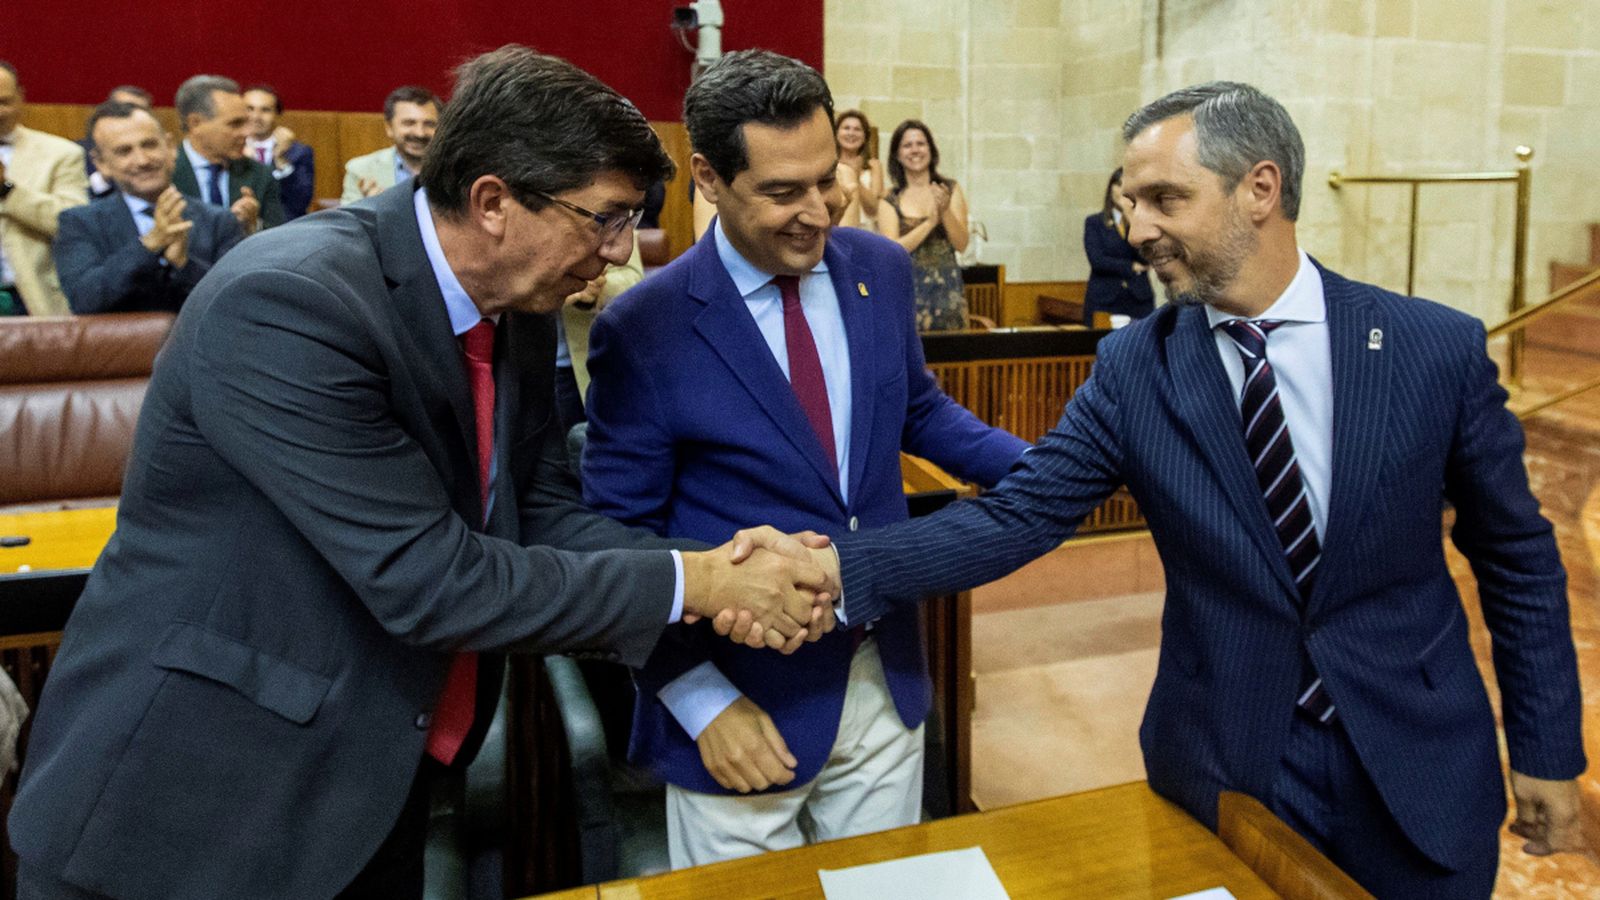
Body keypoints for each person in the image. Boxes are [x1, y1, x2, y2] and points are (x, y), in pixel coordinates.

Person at [10, 46, 834, 900]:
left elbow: (538, 508)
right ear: (492, 202)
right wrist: (703, 583)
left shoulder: (516, 300)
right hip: (193, 799)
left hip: (368, 781)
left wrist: (720, 565)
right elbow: (428, 578)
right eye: (605, 219)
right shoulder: (290, 302)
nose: (620, 251)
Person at [781, 81, 1587, 899]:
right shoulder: (1137, 368)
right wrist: (835, 569)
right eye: (1133, 203)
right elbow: (1019, 515)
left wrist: (1547, 747)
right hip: (1227, 767)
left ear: (1260, 189)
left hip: (1418, 768)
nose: (1137, 230)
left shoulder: (1432, 349)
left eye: (1165, 199)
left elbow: (1517, 558)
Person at [582, 49, 1029, 868]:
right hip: (738, 712)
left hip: (883, 681)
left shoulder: (880, 268)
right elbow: (618, 540)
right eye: (783, 192)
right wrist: (699, 700)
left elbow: (918, 410)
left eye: (827, 181)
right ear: (709, 178)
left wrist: (1048, 467)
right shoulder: (644, 328)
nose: (818, 213)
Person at [56, 101, 244, 314]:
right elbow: (85, 299)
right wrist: (150, 245)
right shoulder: (80, 223)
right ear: (101, 163)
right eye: (124, 151)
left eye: (149, 145)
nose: (142, 160)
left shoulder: (219, 222)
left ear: (170, 147)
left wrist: (183, 264)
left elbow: (232, 303)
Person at [0, 60, 89, 316]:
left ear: (21, 97)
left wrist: (7, 190)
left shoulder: (61, 154)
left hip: (30, 301)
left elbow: (74, 224)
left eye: (3, 102)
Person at [876, 119, 969, 331]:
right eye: (907, 145)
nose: (915, 150)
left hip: (948, 294)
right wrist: (930, 223)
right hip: (906, 294)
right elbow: (892, 251)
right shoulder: (889, 199)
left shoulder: (950, 189)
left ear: (931, 150)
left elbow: (962, 244)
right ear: (897, 154)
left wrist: (945, 211)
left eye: (921, 143)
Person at [171, 74, 287, 232]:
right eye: (235, 124)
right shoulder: (163, 175)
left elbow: (278, 237)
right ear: (195, 123)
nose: (247, 132)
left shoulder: (261, 175)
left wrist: (253, 227)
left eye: (245, 122)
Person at [342, 85, 440, 203]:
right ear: (389, 127)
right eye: (409, 123)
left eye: (429, 124)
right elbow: (347, 214)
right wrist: (372, 206)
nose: (420, 133)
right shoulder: (362, 171)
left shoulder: (456, 171)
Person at [1082, 167, 1155, 325]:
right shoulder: (1095, 222)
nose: (1122, 190)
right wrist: (1131, 267)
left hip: (1138, 298)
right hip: (1105, 298)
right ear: (1111, 188)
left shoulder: (1142, 222)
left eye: (1127, 186)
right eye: (1118, 184)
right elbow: (1097, 260)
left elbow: (1147, 258)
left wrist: (1131, 217)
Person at [243, 84, 315, 220]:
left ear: (277, 114)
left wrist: (281, 161)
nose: (256, 116)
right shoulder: (228, 150)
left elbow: (300, 204)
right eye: (249, 109)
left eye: (265, 110)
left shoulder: (298, 153)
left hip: (283, 226)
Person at [79, 85, 152, 198]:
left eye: (141, 112)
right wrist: (103, 179)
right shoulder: (78, 152)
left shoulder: (155, 151)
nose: (132, 117)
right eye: (124, 111)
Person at [833, 109, 883, 228]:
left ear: (865, 137)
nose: (851, 133)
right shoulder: (830, 164)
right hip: (839, 227)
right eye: (846, 128)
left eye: (857, 129)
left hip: (867, 229)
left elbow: (874, 209)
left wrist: (855, 177)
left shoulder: (874, 165)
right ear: (836, 134)